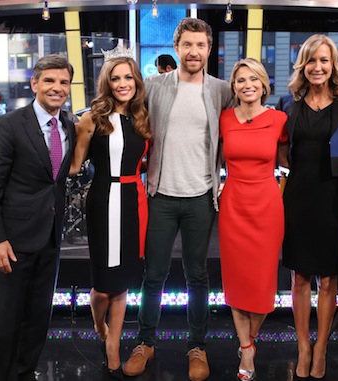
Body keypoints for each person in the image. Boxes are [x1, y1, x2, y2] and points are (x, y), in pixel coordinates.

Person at [122, 17, 234, 381]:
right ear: (177, 47)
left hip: (201, 197)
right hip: (161, 196)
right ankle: (145, 342)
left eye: (201, 45)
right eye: (188, 45)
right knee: (153, 275)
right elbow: (126, 113)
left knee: (197, 275)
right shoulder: (154, 86)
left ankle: (197, 346)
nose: (194, 51)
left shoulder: (221, 90)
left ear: (209, 49)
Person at [0, 54, 75, 381]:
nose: (56, 88)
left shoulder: (69, 127)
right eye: (49, 81)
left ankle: (26, 372)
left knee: (38, 318)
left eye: (63, 82)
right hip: (13, 242)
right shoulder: (7, 125)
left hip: (50, 239)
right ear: (34, 83)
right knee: (7, 319)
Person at [281, 34, 338, 380]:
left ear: (334, 66)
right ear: (303, 65)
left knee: (328, 281)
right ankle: (303, 346)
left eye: (324, 61)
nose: (318, 67)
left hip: (332, 198)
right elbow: (281, 153)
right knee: (299, 278)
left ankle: (322, 348)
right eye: (312, 60)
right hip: (297, 198)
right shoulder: (287, 104)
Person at [69, 56, 150, 379]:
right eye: (116, 79)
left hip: (133, 200)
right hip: (102, 199)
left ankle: (113, 345)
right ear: (107, 83)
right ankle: (98, 323)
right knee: (103, 287)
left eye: (128, 78)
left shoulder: (142, 119)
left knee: (123, 283)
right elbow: (74, 166)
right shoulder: (92, 120)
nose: (122, 84)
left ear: (136, 82)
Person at [218, 57, 289, 381]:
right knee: (236, 283)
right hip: (234, 203)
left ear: (264, 84)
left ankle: (251, 340)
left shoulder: (279, 120)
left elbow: (288, 161)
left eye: (253, 79)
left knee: (261, 287)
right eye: (240, 80)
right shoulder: (224, 119)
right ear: (233, 86)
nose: (247, 85)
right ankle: (246, 347)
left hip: (266, 205)